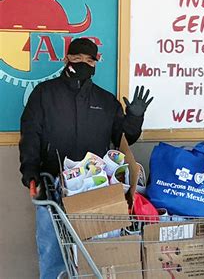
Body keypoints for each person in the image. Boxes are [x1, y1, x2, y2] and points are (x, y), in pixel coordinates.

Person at [19, 37, 153, 278]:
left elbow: (123, 140)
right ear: (66, 59)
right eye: (77, 58)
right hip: (53, 184)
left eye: (89, 60)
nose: (82, 63)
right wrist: (30, 172)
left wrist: (134, 119)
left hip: (95, 187)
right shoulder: (44, 94)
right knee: (53, 253)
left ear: (96, 63)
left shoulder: (105, 101)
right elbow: (30, 135)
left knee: (95, 253)